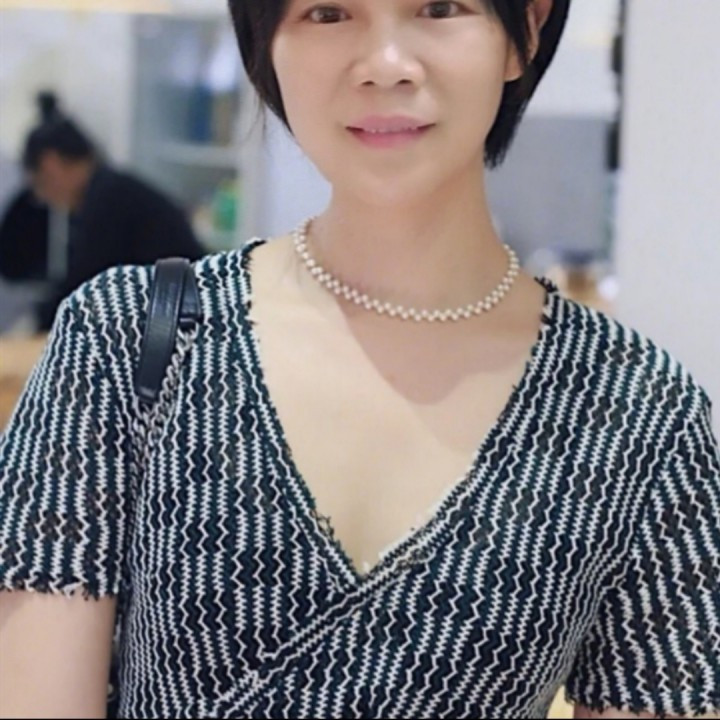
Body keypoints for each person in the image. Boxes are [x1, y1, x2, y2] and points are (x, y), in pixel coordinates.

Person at [1, 1, 719, 718]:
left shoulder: (639, 416)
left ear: (525, 30)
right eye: (327, 12)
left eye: (439, 7)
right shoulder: (122, 340)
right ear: (264, 42)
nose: (384, 66)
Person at [16, 92, 207, 330]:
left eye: (39, 184)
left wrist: (34, 323)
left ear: (51, 165)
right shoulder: (110, 189)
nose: (43, 197)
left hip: (183, 322)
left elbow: (83, 286)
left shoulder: (107, 201)